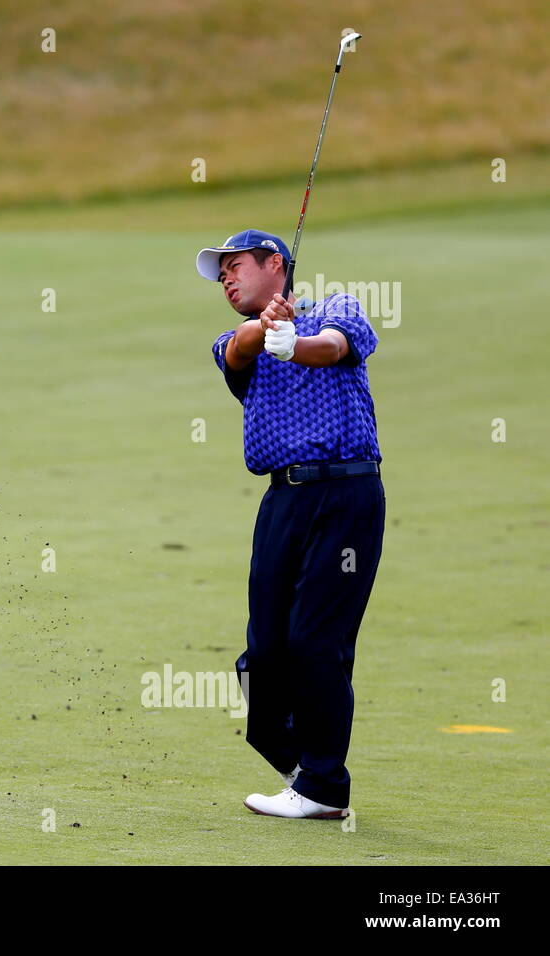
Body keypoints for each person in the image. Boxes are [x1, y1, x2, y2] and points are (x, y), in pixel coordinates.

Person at [197, 229, 386, 819]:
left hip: (348, 493)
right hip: (282, 502)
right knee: (262, 657)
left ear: (274, 263)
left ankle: (324, 788)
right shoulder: (234, 339)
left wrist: (292, 340)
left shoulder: (338, 308)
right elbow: (239, 351)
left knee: (316, 642)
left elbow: (330, 348)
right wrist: (267, 330)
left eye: (235, 266)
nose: (226, 279)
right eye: (220, 273)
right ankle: (300, 763)